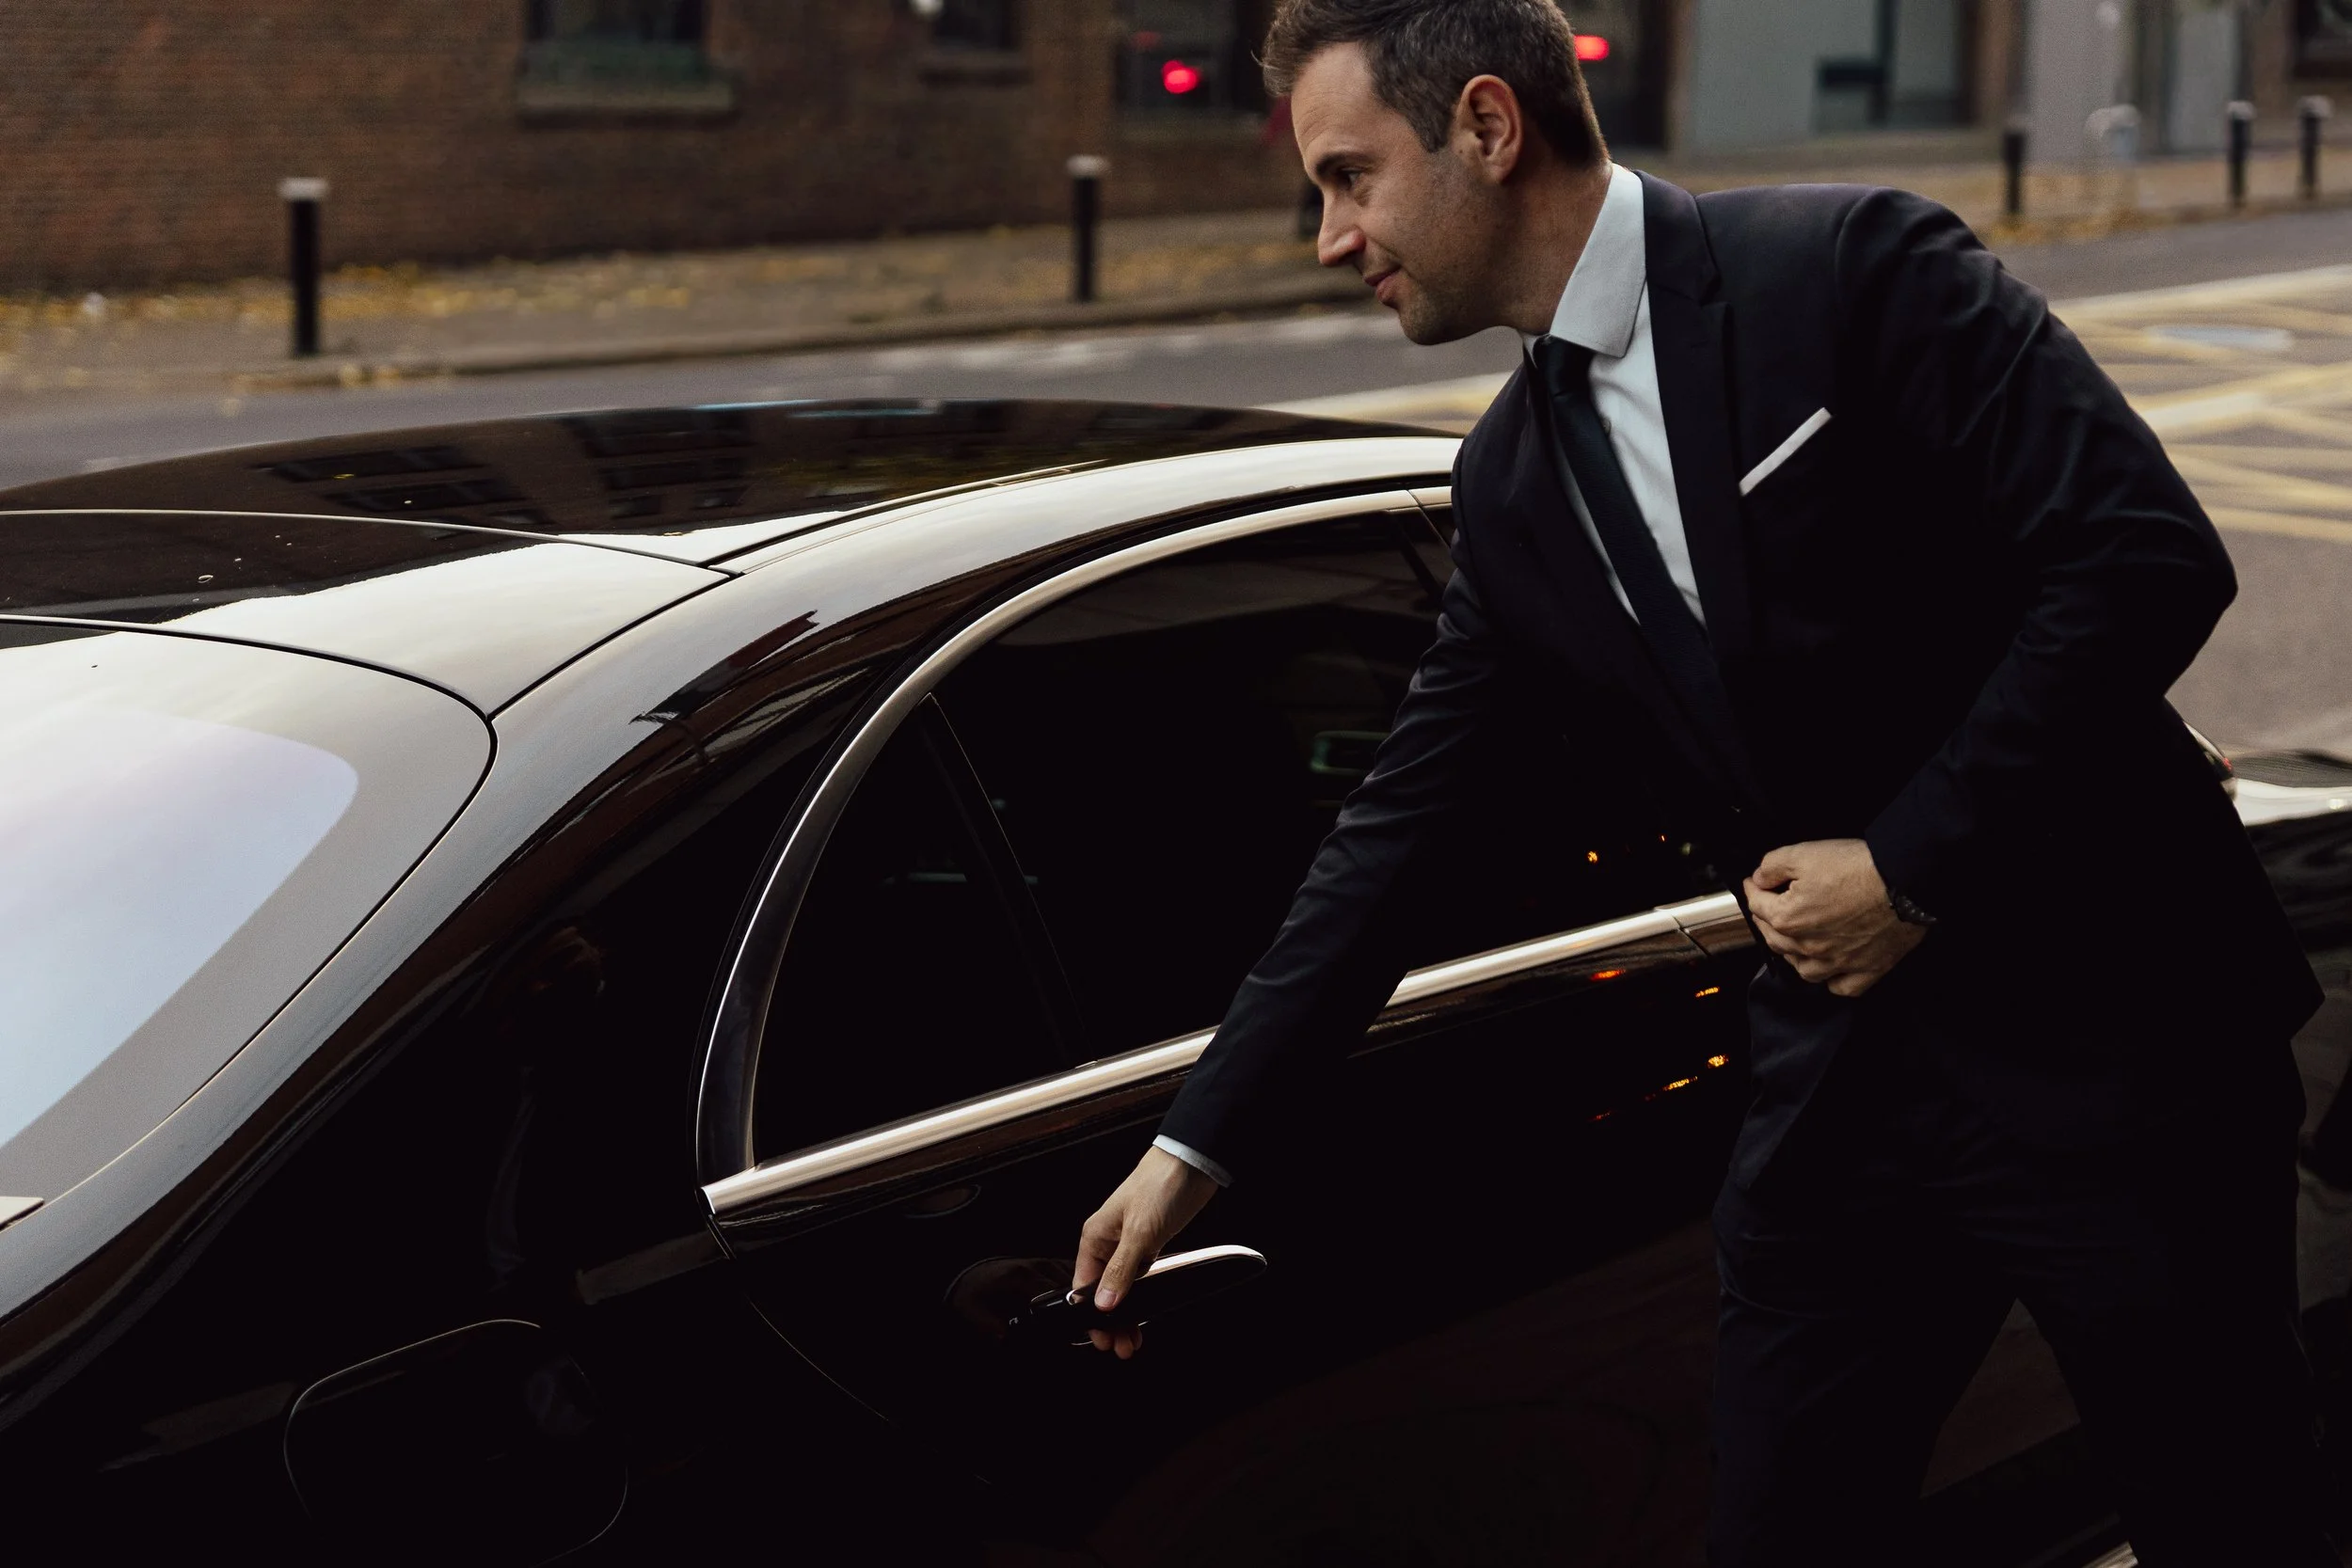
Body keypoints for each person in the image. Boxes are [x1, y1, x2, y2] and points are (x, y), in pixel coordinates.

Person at [1066, 1, 2338, 1561]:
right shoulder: (1513, 485)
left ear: (1486, 125)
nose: (1330, 237)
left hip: (2122, 1054)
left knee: (2236, 1517)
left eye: (1348, 178)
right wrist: (1196, 1147)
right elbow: (1395, 829)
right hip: (1845, 1122)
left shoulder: (1855, 266)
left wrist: (1913, 864)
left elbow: (2144, 561)